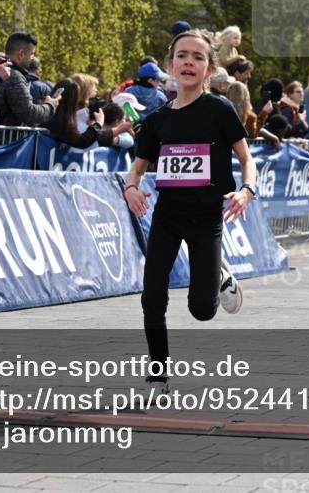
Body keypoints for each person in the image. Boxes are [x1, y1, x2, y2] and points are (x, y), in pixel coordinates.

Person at [122, 29, 256, 396]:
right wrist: (131, 188)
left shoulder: (219, 110)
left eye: (198, 57)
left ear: (209, 68)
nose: (189, 63)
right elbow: (137, 167)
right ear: (170, 65)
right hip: (168, 213)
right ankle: (158, 374)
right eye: (182, 55)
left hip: (206, 216)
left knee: (202, 310)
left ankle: (221, 278)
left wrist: (247, 190)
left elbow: (247, 160)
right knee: (152, 296)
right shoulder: (157, 120)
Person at [0, 31, 61, 127]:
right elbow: (28, 113)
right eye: (32, 54)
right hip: (9, 140)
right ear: (21, 54)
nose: (33, 58)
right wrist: (50, 105)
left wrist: (39, 104)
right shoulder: (15, 77)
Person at [44, 78, 108, 148]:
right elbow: (82, 141)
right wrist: (98, 123)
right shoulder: (62, 122)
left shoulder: (42, 111)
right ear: (74, 100)